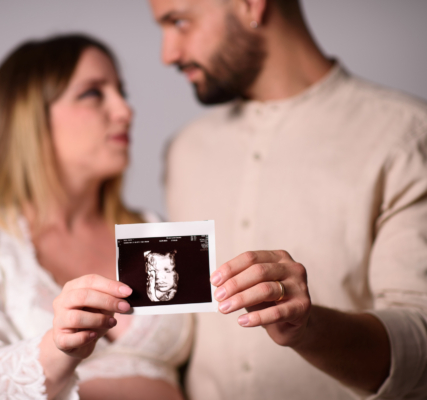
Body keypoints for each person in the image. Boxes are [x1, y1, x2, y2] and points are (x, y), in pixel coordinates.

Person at [148, 0, 427, 399]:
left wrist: (307, 327)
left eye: (179, 21)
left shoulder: (406, 137)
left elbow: (421, 345)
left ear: (252, 5)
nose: (167, 54)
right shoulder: (184, 150)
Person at [0, 34, 192, 400]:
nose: (124, 111)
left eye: (122, 92)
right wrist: (58, 347)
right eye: (93, 93)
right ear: (30, 116)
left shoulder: (156, 230)